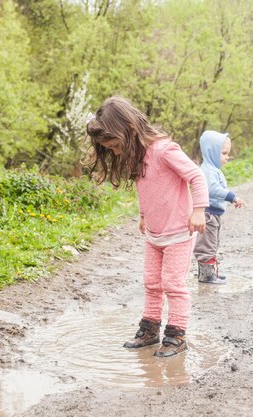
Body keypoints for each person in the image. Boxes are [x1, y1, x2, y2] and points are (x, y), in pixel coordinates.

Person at [85, 96, 209, 358]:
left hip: (178, 231)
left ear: (129, 130)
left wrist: (198, 210)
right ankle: (150, 330)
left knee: (173, 284)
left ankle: (176, 335)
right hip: (154, 233)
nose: (115, 152)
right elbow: (147, 189)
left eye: (115, 145)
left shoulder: (165, 150)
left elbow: (196, 176)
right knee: (152, 283)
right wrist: (143, 214)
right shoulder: (138, 155)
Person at [193, 130, 245, 284]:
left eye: (227, 153)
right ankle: (206, 275)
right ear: (211, 152)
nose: (226, 157)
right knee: (207, 244)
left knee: (213, 242)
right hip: (208, 214)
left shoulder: (213, 170)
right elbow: (212, 189)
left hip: (214, 214)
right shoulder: (208, 171)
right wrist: (232, 196)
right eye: (223, 153)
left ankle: (208, 271)